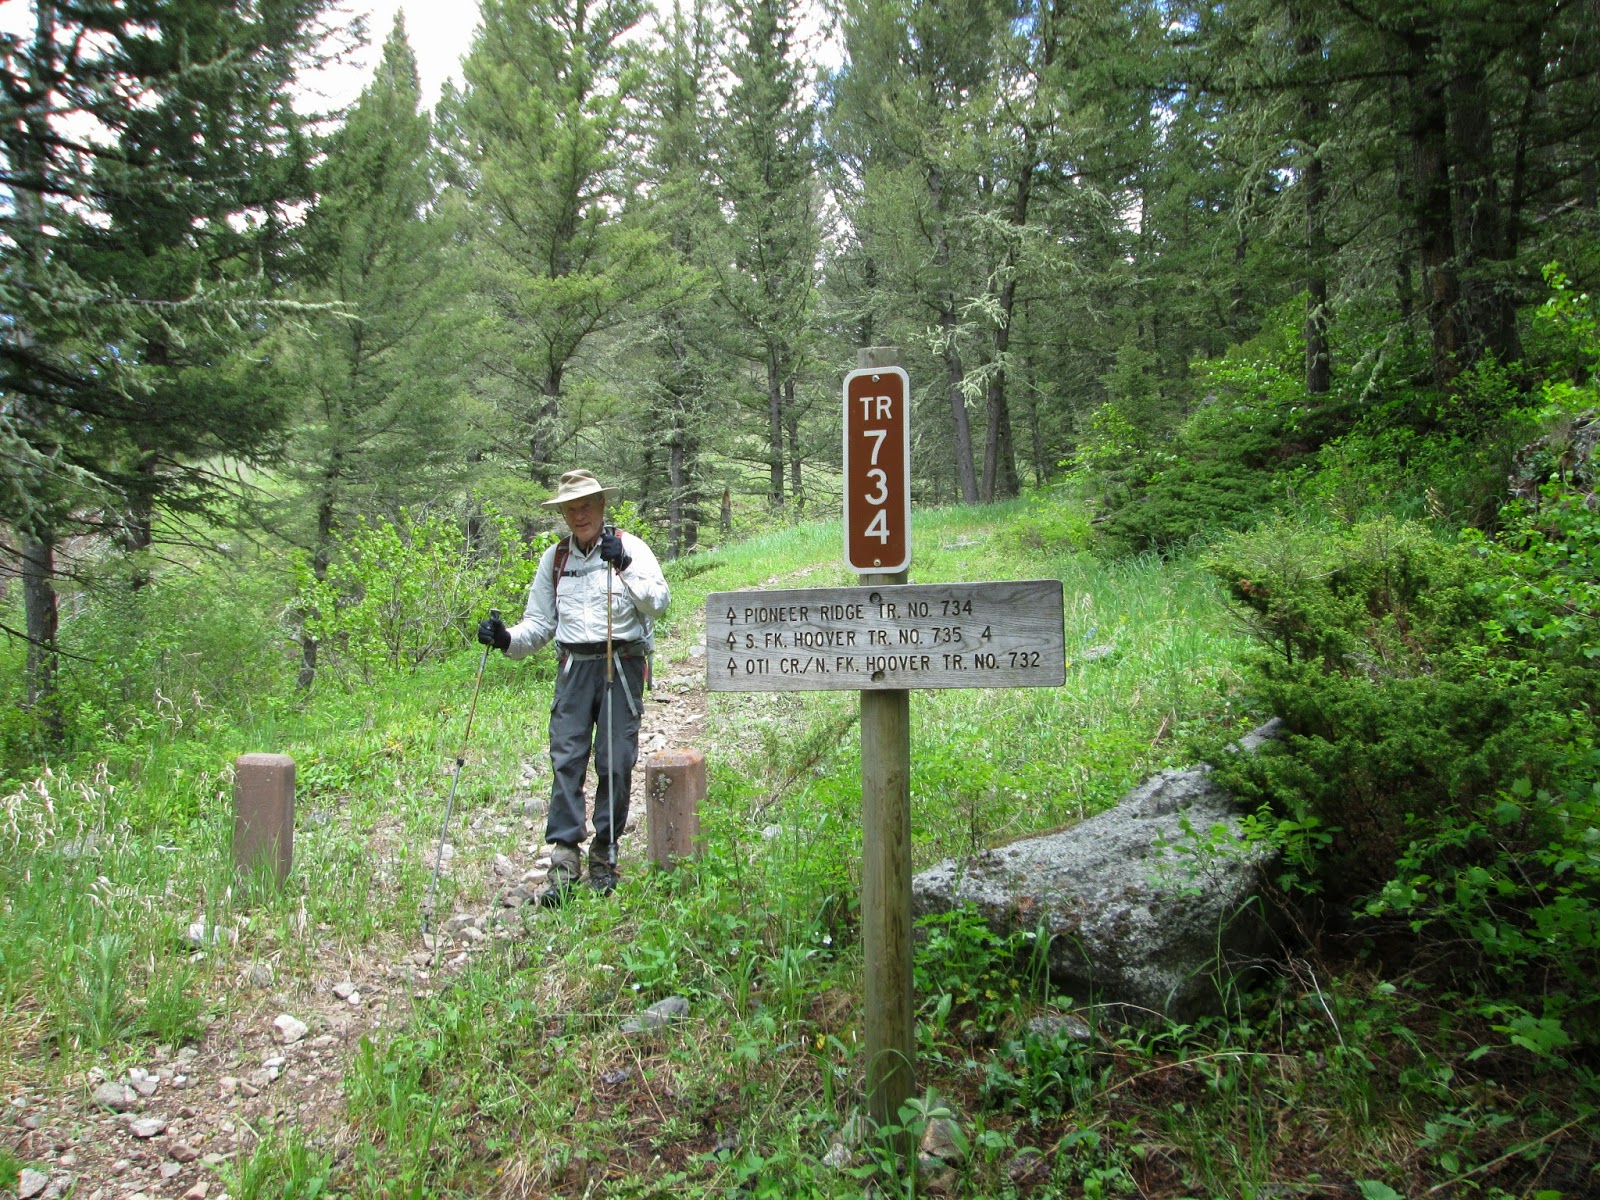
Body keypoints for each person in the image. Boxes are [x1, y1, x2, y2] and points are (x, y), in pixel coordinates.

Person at [477, 470, 670, 906]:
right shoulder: (556, 559)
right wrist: (505, 638)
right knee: (566, 758)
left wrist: (622, 565)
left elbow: (659, 603)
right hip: (573, 668)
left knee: (616, 761)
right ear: (563, 513)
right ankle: (564, 861)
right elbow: (540, 624)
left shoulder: (631, 546)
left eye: (586, 505)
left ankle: (604, 852)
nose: (579, 514)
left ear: (602, 506)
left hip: (622, 663)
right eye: (571, 508)